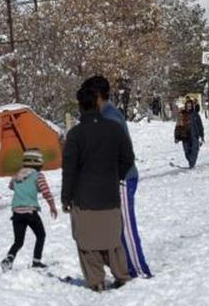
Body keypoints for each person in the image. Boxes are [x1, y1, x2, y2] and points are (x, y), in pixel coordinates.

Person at [62, 83, 136, 292]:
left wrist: (66, 197)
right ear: (97, 102)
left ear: (80, 106)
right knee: (112, 239)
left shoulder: (75, 135)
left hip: (84, 196)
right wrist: (116, 175)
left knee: (87, 242)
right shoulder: (113, 129)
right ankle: (121, 275)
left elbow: (69, 169)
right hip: (109, 193)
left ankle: (96, 280)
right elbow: (128, 158)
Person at [86, 75, 152, 280]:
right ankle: (126, 269)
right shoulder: (103, 114)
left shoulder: (110, 116)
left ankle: (139, 272)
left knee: (126, 228)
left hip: (122, 178)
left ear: (97, 95)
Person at [0, 149, 58, 272]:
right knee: (41, 235)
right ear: (38, 163)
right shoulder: (38, 176)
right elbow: (46, 192)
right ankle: (36, 262)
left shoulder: (16, 175)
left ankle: (8, 259)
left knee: (18, 241)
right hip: (30, 212)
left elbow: (11, 186)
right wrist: (52, 206)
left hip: (16, 213)